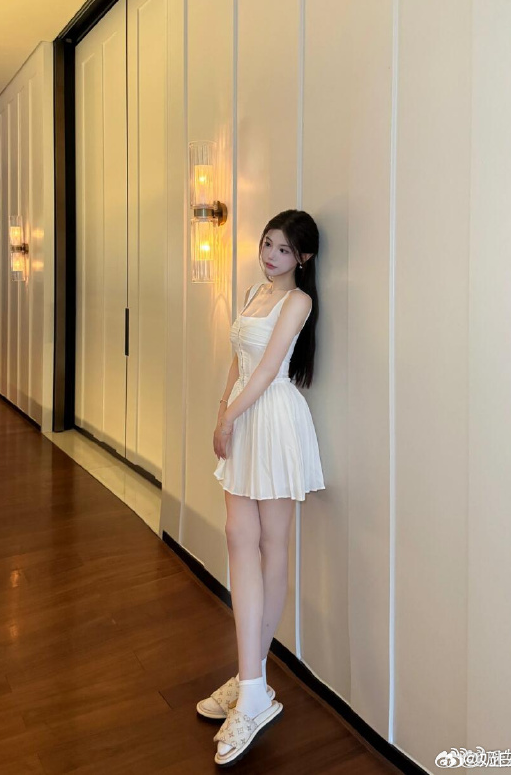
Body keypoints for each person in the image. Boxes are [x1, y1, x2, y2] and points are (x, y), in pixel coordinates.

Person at [196, 209, 325, 766]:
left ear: (303, 257)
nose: (271, 255)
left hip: (272, 421)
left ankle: (253, 688)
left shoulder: (298, 301)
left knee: (272, 547)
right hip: (244, 418)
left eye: (283, 249)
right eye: (268, 243)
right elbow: (239, 361)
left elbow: (270, 369)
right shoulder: (254, 292)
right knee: (237, 539)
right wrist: (221, 412)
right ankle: (251, 680)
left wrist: (230, 419)